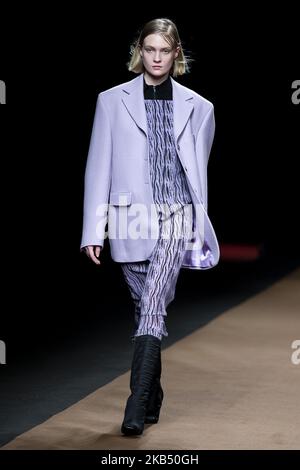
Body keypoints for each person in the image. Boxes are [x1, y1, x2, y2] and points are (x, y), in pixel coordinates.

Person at [80, 18, 220, 436]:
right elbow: (97, 167)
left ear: (176, 54)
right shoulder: (111, 101)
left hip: (176, 214)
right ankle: (154, 393)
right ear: (139, 51)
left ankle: (136, 402)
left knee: (154, 303)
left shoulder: (200, 107)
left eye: (164, 51)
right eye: (149, 50)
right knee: (146, 308)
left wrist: (196, 218)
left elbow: (198, 171)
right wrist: (93, 229)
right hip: (128, 217)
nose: (156, 58)